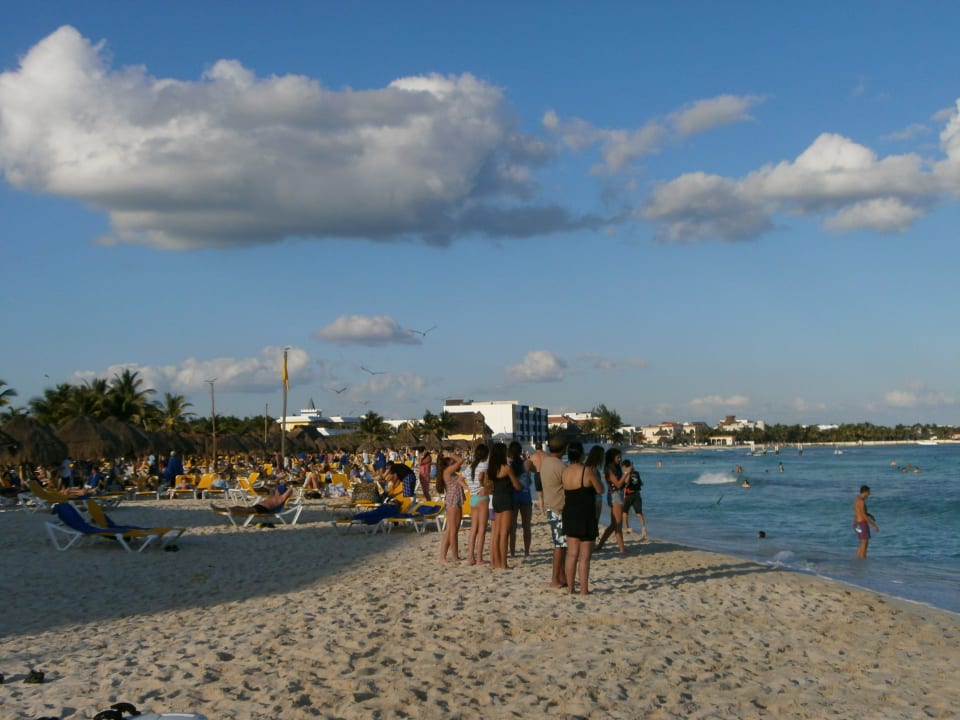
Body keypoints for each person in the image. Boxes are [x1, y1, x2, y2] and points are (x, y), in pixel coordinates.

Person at [561, 441, 604, 595]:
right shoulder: (587, 471)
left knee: (572, 554)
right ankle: (584, 589)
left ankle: (571, 587)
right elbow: (600, 489)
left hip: (570, 514)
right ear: (581, 454)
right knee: (584, 557)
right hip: (585, 514)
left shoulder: (565, 472)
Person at [536, 436, 568, 588]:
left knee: (562, 544)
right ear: (563, 449)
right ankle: (555, 578)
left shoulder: (546, 463)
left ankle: (561, 576)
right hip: (558, 508)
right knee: (560, 545)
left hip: (551, 506)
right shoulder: (560, 466)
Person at [488, 442, 520, 570]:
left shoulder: (491, 468)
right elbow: (516, 485)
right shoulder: (506, 468)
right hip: (506, 499)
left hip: (496, 499)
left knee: (496, 533)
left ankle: (496, 562)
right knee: (504, 533)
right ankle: (503, 563)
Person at [437, 450, 467, 563]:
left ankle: (445, 556)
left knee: (452, 530)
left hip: (455, 501)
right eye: (450, 459)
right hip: (452, 502)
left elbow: (459, 462)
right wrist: (449, 454)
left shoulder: (450, 471)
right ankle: (452, 556)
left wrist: (450, 455)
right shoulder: (447, 470)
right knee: (452, 530)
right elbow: (461, 460)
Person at [596, 447, 627, 553]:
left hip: (617, 495)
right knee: (617, 524)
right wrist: (626, 473)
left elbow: (622, 484)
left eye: (620, 457)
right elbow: (618, 484)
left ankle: (600, 545)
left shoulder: (616, 468)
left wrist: (627, 475)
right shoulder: (609, 469)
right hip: (615, 496)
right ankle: (622, 549)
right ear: (612, 458)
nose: (620, 459)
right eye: (618, 457)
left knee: (614, 524)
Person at [463, 444, 490, 566]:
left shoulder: (470, 466)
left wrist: (468, 488)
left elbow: (460, 479)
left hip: (473, 498)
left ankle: (470, 558)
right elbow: (481, 477)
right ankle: (479, 558)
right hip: (482, 498)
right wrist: (482, 485)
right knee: (482, 529)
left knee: (473, 529)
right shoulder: (485, 465)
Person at [508, 441, 533, 558]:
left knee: (512, 527)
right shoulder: (526, 464)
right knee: (526, 526)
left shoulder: (508, 465)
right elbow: (529, 482)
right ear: (520, 451)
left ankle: (512, 552)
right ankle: (527, 551)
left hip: (513, 496)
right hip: (525, 496)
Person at [211, 482, 292, 517]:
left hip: (264, 509)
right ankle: (220, 508)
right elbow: (271, 486)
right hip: (259, 506)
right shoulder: (272, 495)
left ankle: (234, 512)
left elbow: (290, 490)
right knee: (241, 507)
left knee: (247, 510)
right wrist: (280, 482)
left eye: (277, 489)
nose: (275, 489)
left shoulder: (280, 498)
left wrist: (288, 485)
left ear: (280, 491)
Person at [621, 459, 647, 540]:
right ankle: (643, 528)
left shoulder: (626, 473)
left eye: (623, 467)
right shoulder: (637, 473)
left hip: (629, 495)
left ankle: (626, 528)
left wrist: (628, 473)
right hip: (637, 494)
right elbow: (641, 483)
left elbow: (626, 482)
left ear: (625, 466)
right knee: (639, 513)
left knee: (624, 512)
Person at [853, 485, 879, 558]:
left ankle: (857, 562)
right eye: (869, 492)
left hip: (856, 524)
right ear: (865, 492)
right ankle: (863, 563)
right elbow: (863, 515)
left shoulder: (857, 499)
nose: (869, 494)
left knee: (862, 543)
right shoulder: (861, 502)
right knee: (864, 544)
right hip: (861, 524)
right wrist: (874, 525)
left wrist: (869, 515)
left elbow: (859, 512)